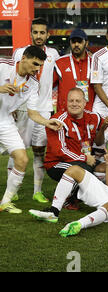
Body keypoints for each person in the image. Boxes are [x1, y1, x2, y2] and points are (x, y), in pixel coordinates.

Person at [0, 46, 62, 214]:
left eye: (40, 66)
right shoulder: (3, 65)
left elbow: (33, 113)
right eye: (35, 64)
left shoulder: (33, 84)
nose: (37, 69)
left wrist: (48, 122)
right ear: (24, 57)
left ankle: (5, 202)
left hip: (4, 120)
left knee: (22, 159)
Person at [10, 17, 60, 204]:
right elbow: (13, 77)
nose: (38, 36)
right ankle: (13, 190)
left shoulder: (54, 54)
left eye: (42, 32)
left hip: (44, 109)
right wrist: (12, 104)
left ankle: (37, 191)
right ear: (31, 33)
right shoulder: (20, 53)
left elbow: (61, 78)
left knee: (40, 151)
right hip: (22, 109)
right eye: (35, 32)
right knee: (17, 149)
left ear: (48, 34)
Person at [44, 87, 108, 210]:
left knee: (106, 170)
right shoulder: (58, 121)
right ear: (66, 102)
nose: (74, 104)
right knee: (82, 170)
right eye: (71, 101)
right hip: (56, 163)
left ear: (85, 103)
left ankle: (78, 193)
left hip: (83, 160)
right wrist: (85, 158)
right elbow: (60, 151)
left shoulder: (94, 116)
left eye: (78, 101)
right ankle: (66, 198)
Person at [54, 28, 95, 113]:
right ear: (70, 43)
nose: (76, 44)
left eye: (79, 41)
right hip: (65, 114)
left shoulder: (95, 63)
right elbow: (47, 86)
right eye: (73, 42)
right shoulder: (60, 63)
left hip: (88, 114)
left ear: (86, 43)